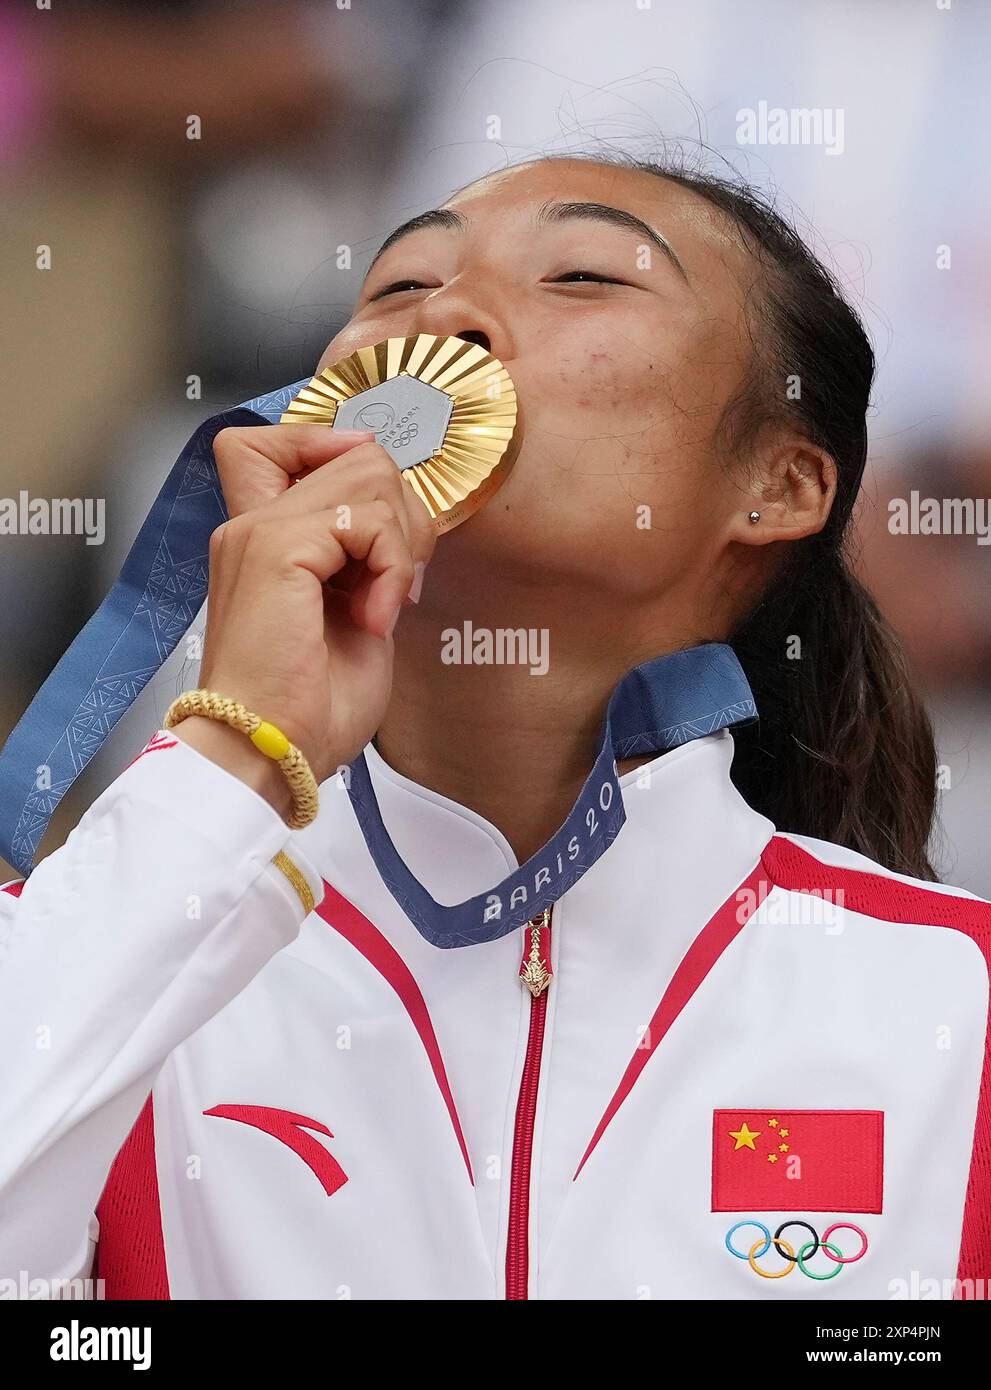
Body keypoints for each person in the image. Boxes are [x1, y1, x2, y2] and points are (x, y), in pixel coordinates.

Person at [0, 153, 987, 1301]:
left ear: (780, 482)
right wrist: (234, 758)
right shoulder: (101, 962)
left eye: (580, 276)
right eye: (396, 290)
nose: (448, 315)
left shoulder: (953, 1007)